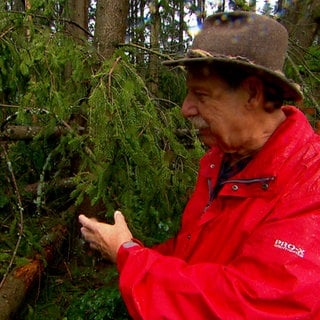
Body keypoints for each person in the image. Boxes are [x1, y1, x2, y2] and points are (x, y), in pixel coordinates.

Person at [79, 11, 320, 319]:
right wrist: (127, 249)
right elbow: (194, 256)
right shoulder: (218, 162)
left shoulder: (310, 182)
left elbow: (255, 305)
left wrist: (129, 257)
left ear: (253, 93)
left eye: (201, 95)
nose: (185, 109)